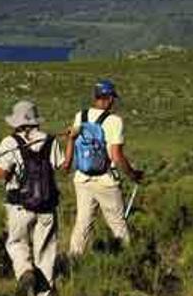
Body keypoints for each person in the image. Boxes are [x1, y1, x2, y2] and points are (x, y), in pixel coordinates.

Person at [0, 100, 63, 296]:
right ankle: (45, 291)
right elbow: (63, 166)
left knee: (16, 244)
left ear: (16, 122)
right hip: (47, 207)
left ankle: (25, 273)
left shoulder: (9, 142)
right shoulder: (50, 140)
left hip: (19, 206)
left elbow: (2, 173)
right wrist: (73, 140)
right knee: (46, 254)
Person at [62, 79, 143, 257]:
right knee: (117, 224)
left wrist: (67, 164)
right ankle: (128, 260)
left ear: (95, 97)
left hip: (82, 178)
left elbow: (72, 140)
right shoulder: (114, 121)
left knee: (82, 223)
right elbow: (116, 156)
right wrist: (133, 174)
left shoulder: (80, 116)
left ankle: (73, 261)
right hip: (106, 181)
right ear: (109, 98)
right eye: (113, 98)